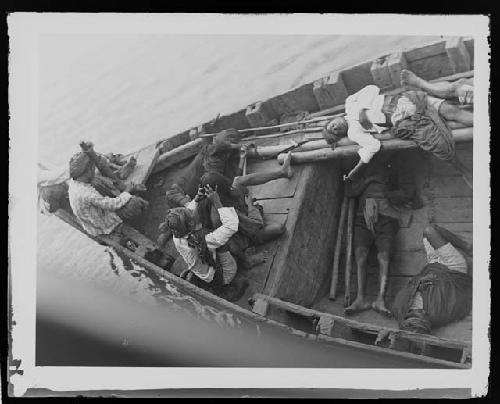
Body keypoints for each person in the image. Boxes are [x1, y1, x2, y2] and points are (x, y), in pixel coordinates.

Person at [322, 74, 473, 186]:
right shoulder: (353, 133)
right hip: (404, 119)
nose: (335, 127)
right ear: (340, 134)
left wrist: (362, 110)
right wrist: (355, 171)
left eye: (332, 124)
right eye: (334, 131)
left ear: (334, 118)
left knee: (450, 110)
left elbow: (372, 88)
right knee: (439, 146)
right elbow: (372, 146)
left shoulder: (350, 103)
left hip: (405, 100)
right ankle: (463, 170)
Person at [344, 153, 419, 317]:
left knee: (384, 257)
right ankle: (360, 299)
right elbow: (350, 191)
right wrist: (367, 181)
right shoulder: (363, 167)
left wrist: (384, 196)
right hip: (362, 217)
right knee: (360, 255)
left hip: (387, 218)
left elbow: (408, 192)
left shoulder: (397, 168)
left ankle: (380, 300)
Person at [164, 184, 248, 302]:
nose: (192, 212)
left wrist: (197, 198)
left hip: (204, 273)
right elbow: (231, 226)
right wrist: (217, 202)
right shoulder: (204, 239)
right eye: (192, 217)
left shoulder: (177, 236)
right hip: (223, 275)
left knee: (214, 239)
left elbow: (187, 214)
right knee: (225, 242)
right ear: (192, 224)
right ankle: (244, 264)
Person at [391, 224, 472, 334]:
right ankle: (468, 247)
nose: (424, 314)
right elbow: (458, 297)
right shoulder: (437, 315)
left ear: (407, 318)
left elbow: (409, 286)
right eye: (426, 319)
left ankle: (451, 246)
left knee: (426, 234)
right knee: (430, 231)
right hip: (452, 268)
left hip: (433, 264)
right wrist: (437, 280)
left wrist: (419, 283)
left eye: (420, 315)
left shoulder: (398, 309)